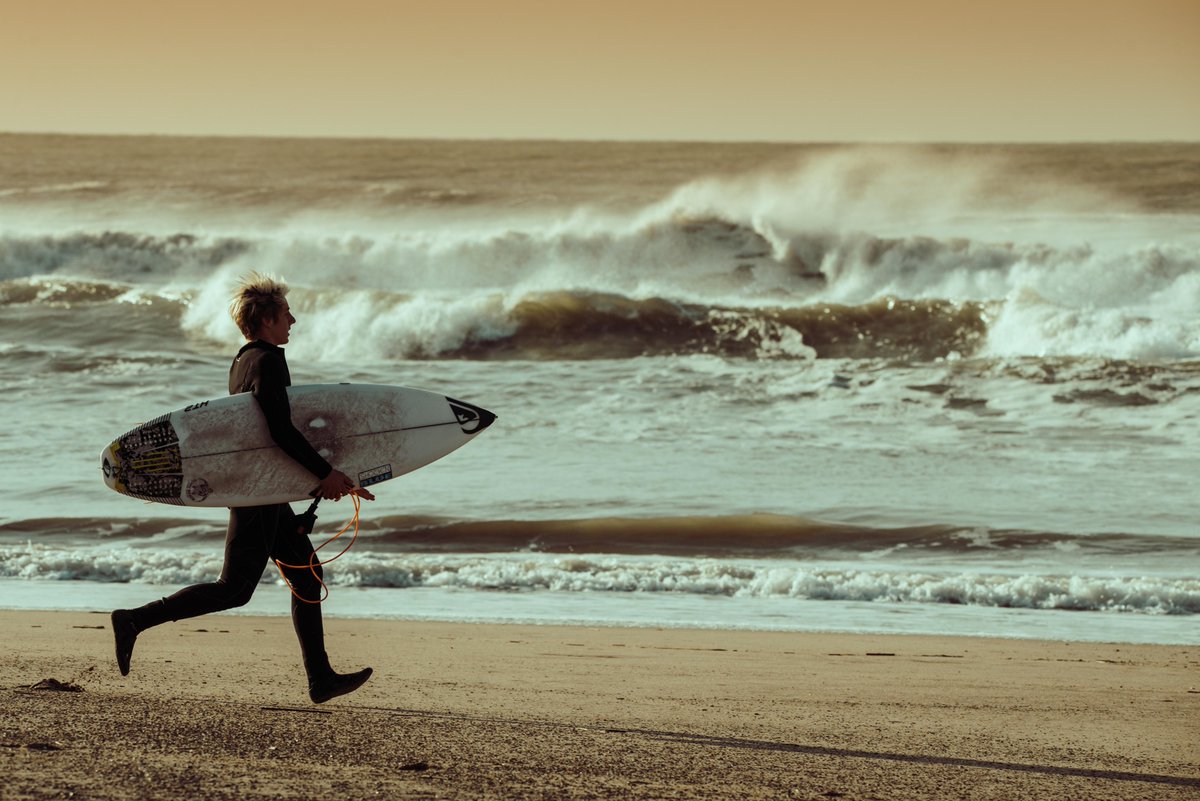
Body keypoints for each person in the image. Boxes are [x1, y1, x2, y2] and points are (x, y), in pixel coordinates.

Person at [111, 272, 375, 704]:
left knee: (308, 576)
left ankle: (321, 678)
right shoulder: (270, 361)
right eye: (287, 313)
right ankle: (133, 620)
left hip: (262, 488)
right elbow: (279, 432)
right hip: (258, 492)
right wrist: (323, 474)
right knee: (234, 589)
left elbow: (261, 437)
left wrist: (325, 477)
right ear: (269, 319)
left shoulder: (243, 360)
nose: (294, 319)